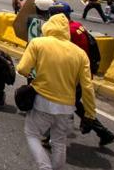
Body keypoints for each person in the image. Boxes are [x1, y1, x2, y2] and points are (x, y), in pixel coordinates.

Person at [17, 13, 97, 170]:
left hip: (42, 101)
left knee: (32, 133)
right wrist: (90, 114)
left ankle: (44, 166)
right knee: (59, 141)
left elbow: (22, 69)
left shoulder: (38, 43)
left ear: (48, 26)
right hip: (67, 106)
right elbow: (87, 87)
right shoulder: (80, 53)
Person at [48, 2, 114, 147]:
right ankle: (103, 132)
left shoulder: (66, 31)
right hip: (84, 71)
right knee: (74, 103)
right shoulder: (77, 26)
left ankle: (51, 138)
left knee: (61, 104)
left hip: (74, 75)